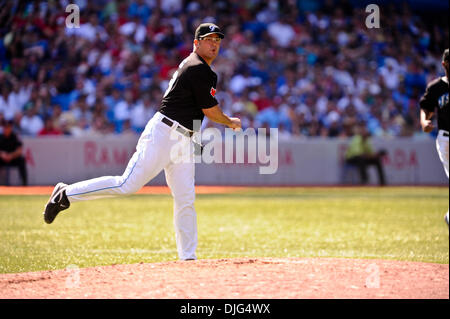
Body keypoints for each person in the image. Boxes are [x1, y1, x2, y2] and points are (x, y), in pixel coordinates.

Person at [42, 23, 241, 261]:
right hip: (164, 133)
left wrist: (194, 139)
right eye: (209, 39)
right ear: (196, 43)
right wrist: (229, 121)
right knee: (127, 184)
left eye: (218, 40)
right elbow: (210, 111)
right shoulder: (198, 67)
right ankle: (66, 194)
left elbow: (195, 109)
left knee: (186, 198)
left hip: (183, 138)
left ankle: (188, 257)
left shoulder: (198, 68)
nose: (214, 44)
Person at [419, 48, 449, 227]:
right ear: (445, 64)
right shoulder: (437, 87)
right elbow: (426, 108)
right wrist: (424, 122)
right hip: (447, 139)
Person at [0, 120, 28, 186]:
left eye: (8, 127)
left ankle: (24, 184)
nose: (6, 129)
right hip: (2, 158)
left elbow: (19, 150)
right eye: (5, 127)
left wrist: (11, 155)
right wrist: (2, 154)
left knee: (22, 160)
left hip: (13, 158)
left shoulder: (15, 137)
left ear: (11, 128)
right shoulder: (0, 137)